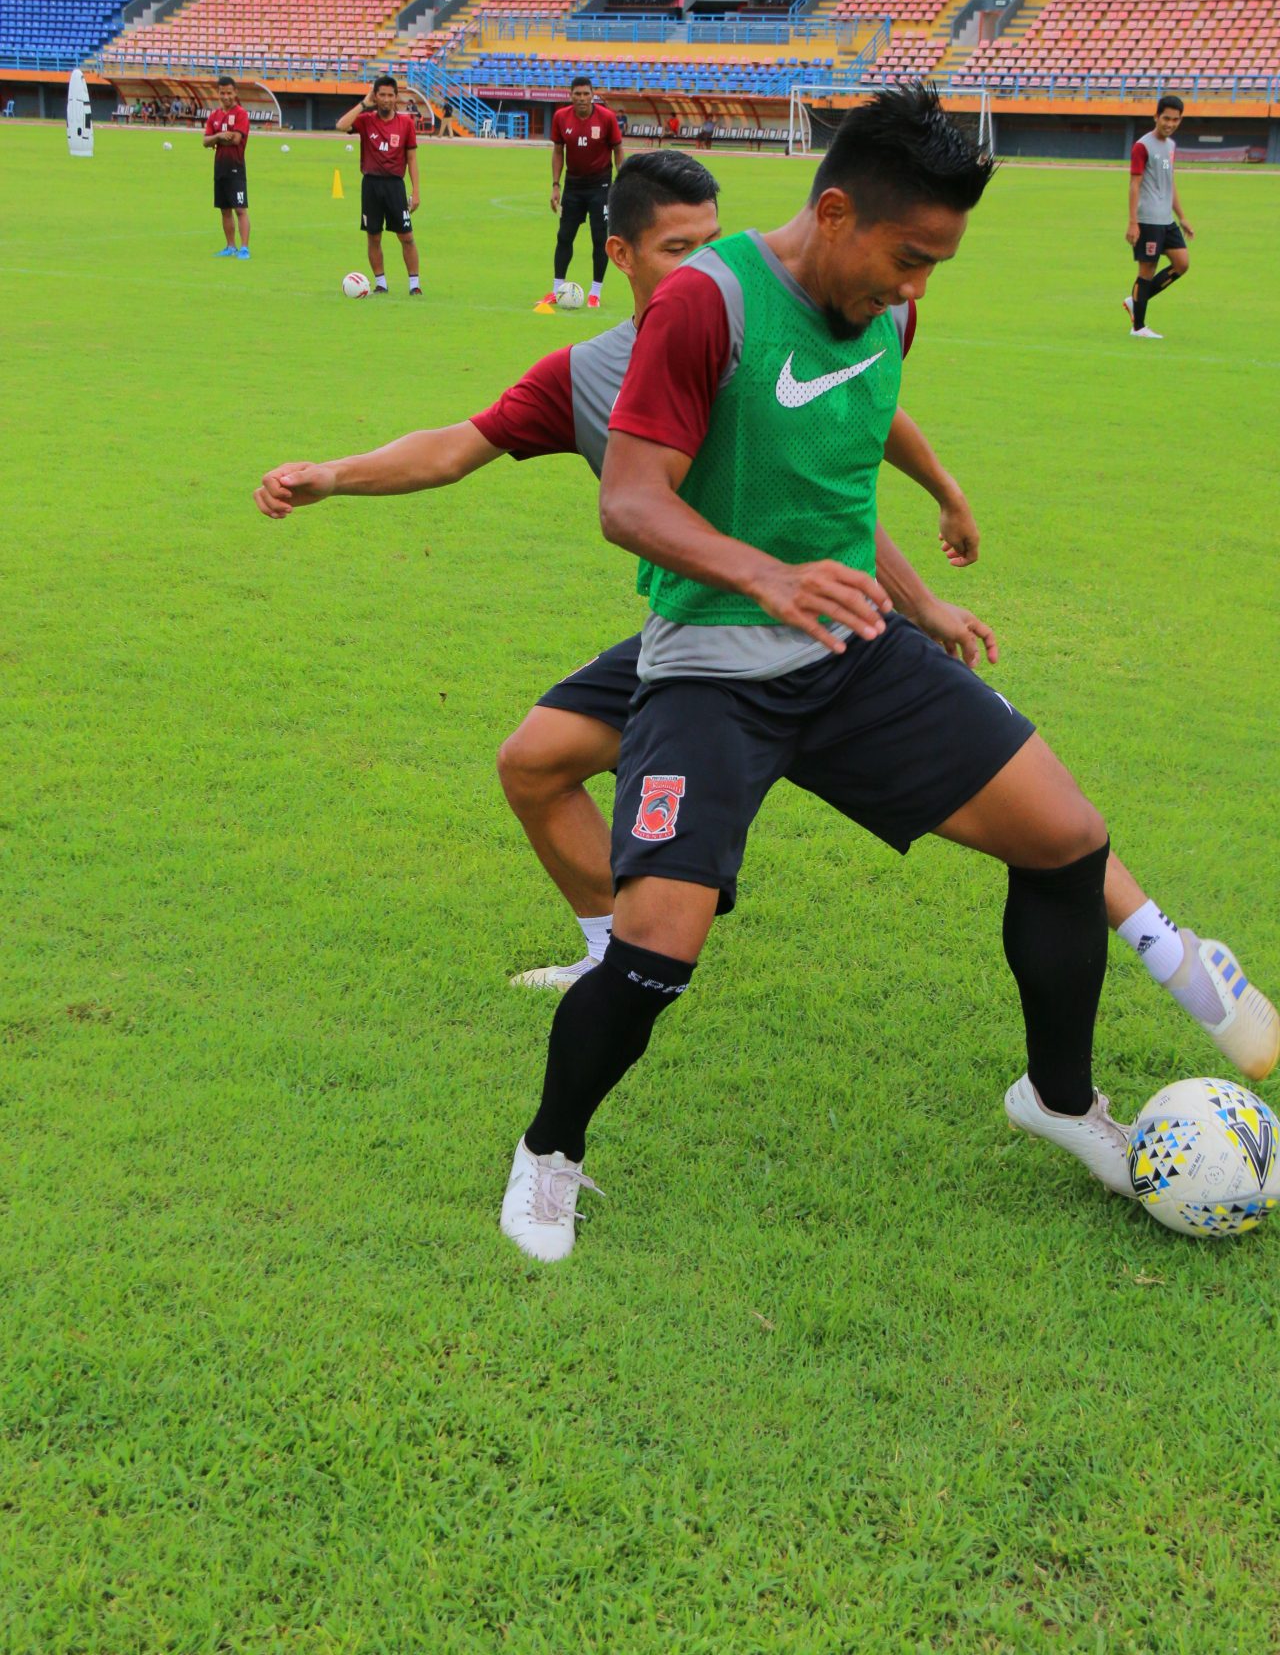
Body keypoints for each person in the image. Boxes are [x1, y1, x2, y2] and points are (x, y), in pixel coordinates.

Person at [252, 148, 1275, 1119]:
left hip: (818, 634)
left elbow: (853, 434)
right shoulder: (590, 374)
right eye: (672, 250)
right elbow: (452, 448)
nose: (699, 265)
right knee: (532, 762)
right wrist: (332, 475)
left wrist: (930, 549)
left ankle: (1162, 943)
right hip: (699, 635)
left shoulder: (760, 324)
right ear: (620, 258)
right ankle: (611, 947)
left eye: (710, 241)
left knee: (1036, 811)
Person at [499, 85, 1274, 1262]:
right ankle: (551, 1154)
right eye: (907, 256)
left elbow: (841, 465)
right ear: (834, 209)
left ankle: (1060, 1104)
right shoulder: (705, 308)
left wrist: (919, 590)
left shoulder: (886, 316)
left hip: (854, 656)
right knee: (656, 949)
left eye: (936, 265)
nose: (915, 288)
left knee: (1064, 840)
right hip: (711, 667)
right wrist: (765, 576)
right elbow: (629, 499)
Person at [542, 77, 625, 312]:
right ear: (570, 95)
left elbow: (618, 149)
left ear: (592, 95)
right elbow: (558, 151)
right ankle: (557, 289)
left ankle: (595, 293)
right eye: (577, 94)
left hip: (600, 186)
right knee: (564, 236)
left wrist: (623, 180)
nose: (581, 98)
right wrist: (556, 184)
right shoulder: (561, 117)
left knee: (600, 239)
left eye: (586, 94)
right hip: (573, 187)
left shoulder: (607, 118)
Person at [336, 76, 422, 297]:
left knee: (407, 236)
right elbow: (341, 125)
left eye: (390, 95)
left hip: (395, 185)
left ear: (396, 98)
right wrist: (364, 104)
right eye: (381, 95)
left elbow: (411, 159)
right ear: (375, 96)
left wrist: (415, 191)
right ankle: (381, 283)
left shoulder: (406, 124)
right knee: (373, 236)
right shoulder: (365, 120)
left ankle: (414, 285)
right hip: (371, 185)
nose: (386, 99)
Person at [1124, 95, 1193, 340]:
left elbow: (1170, 182)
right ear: (1156, 117)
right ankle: (1138, 327)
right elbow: (1134, 184)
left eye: (1175, 120)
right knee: (1147, 270)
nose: (1170, 124)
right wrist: (1133, 222)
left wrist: (1182, 216)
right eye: (1166, 118)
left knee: (1182, 263)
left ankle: (1135, 300)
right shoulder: (1142, 146)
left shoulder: (1171, 146)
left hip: (1166, 219)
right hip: (1148, 219)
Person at [203, 75, 251, 260]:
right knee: (224, 210)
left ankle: (244, 248)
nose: (226, 97)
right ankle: (230, 246)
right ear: (218, 93)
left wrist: (217, 137)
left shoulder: (241, 114)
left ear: (235, 93)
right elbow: (205, 141)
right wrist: (220, 136)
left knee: (240, 209)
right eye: (222, 93)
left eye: (229, 93)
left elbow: (237, 139)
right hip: (220, 168)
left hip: (236, 168)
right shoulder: (214, 116)